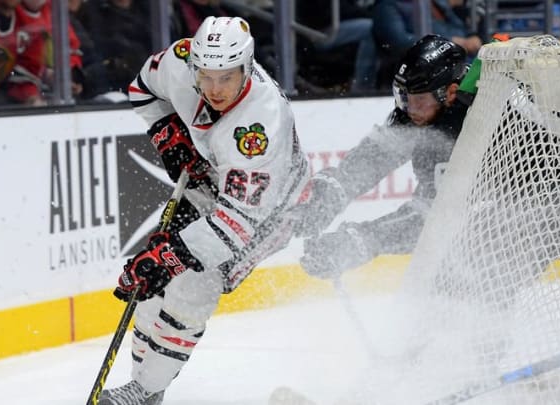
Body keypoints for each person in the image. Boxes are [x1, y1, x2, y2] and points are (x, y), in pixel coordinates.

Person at [100, 16, 309, 405]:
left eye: (226, 77)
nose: (214, 89)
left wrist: (168, 260)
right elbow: (142, 87)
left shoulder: (260, 128)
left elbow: (233, 226)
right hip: (211, 183)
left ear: (247, 68)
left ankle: (145, 390)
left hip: (267, 211)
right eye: (206, 76)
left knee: (193, 286)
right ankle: (145, 386)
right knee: (152, 288)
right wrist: (167, 136)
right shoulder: (183, 62)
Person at [294, 34, 470, 279]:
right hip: (476, 227)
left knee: (459, 293)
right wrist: (334, 190)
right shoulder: (425, 109)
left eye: (419, 100)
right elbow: (378, 156)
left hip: (511, 225)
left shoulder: (468, 125)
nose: (410, 109)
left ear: (450, 92)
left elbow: (434, 219)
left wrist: (361, 240)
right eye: (405, 98)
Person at [371, 0, 482, 90]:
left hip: (462, 58)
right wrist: (447, 42)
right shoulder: (387, 5)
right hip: (428, 68)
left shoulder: (434, 3)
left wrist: (472, 36)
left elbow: (457, 24)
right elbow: (399, 41)